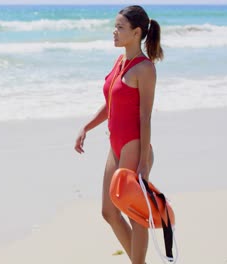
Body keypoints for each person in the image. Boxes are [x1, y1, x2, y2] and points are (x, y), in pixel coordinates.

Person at [74, 5, 163, 264]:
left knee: (134, 213)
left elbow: (145, 117)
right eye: (115, 26)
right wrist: (86, 127)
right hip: (116, 144)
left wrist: (144, 161)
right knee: (109, 211)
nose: (114, 31)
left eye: (120, 27)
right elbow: (112, 103)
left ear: (136, 33)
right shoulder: (120, 61)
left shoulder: (145, 68)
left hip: (135, 145)